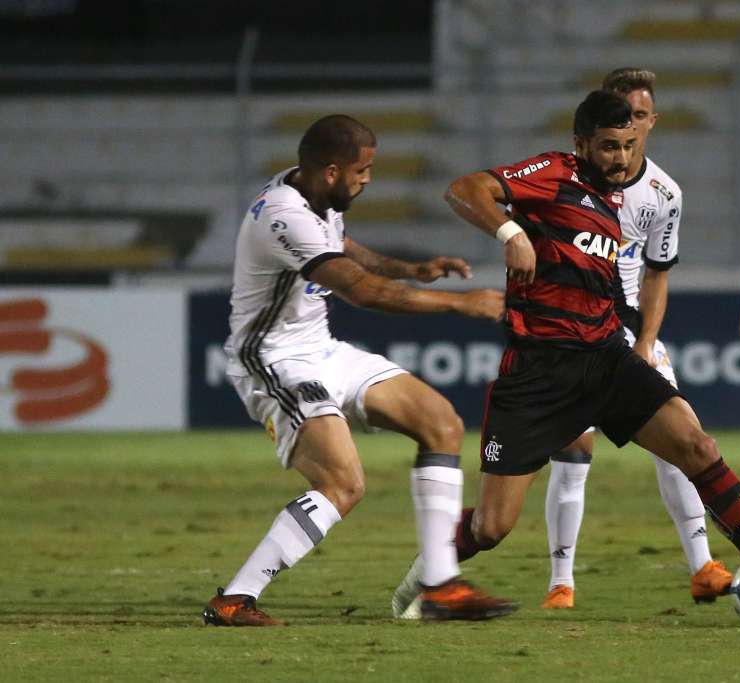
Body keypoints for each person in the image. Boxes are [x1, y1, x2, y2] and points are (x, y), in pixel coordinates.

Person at [392, 90, 740, 621]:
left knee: (697, 447)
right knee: (491, 528)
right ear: (580, 143)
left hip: (606, 360)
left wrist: (637, 343)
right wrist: (510, 230)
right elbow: (463, 188)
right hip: (539, 375)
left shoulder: (614, 201)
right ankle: (429, 575)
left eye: (629, 146)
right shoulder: (551, 173)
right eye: (609, 147)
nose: (621, 158)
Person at [202, 114, 517, 626]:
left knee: (440, 421)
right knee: (343, 484)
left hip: (322, 349)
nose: (368, 180)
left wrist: (408, 269)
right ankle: (235, 599)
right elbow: (361, 291)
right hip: (273, 361)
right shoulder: (285, 216)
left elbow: (343, 247)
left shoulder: (311, 193)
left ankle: (439, 584)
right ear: (331, 171)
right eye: (363, 170)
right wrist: (459, 305)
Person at [541, 68, 731, 611]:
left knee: (681, 440)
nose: (631, 125)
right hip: (570, 331)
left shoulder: (663, 193)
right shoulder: (561, 180)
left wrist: (647, 341)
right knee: (572, 450)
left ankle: (702, 568)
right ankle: (561, 582)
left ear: (651, 121)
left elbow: (657, 272)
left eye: (640, 117)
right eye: (620, 115)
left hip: (627, 331)